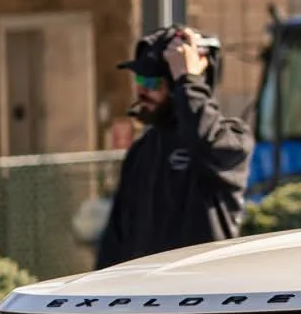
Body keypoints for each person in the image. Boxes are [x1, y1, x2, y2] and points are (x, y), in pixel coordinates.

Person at [95, 25, 252, 268]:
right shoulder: (141, 151)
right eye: (139, 79)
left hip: (199, 298)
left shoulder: (230, 139)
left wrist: (189, 81)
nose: (141, 90)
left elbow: (205, 142)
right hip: (143, 299)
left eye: (152, 81)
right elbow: (115, 242)